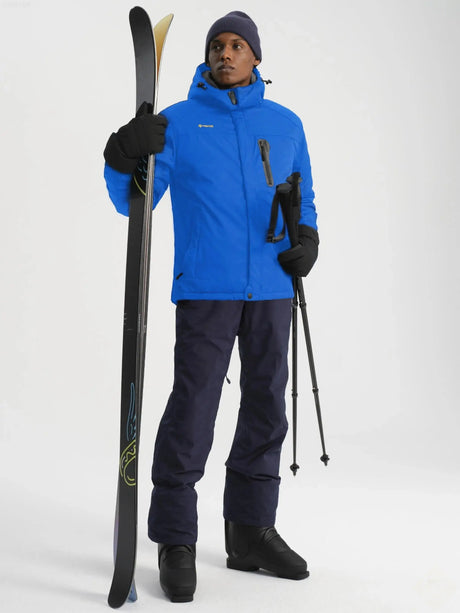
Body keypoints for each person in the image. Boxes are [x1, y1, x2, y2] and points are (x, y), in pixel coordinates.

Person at [104, 11, 319, 603]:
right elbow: (135, 204)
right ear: (207, 57)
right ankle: (176, 537)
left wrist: (308, 239)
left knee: (266, 408)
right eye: (217, 45)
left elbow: (305, 198)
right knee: (193, 409)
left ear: (255, 58)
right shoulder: (177, 123)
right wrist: (122, 155)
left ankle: (249, 532)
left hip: (274, 288)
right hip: (206, 287)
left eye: (238, 45)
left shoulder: (285, 123)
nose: (226, 53)